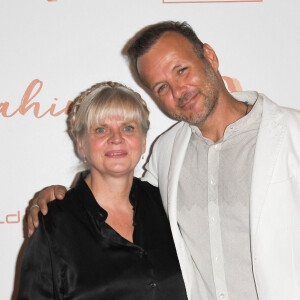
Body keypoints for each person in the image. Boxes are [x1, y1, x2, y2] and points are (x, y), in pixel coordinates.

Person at [27, 22, 300, 300]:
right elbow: (116, 194)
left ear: (209, 56)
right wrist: (57, 198)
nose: (179, 91)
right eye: (161, 87)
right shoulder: (167, 152)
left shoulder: (293, 134)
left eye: (181, 70)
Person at [18, 81, 188, 300]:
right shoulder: (54, 224)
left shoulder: (168, 205)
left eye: (128, 128)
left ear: (143, 140)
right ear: (81, 143)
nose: (116, 138)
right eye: (101, 129)